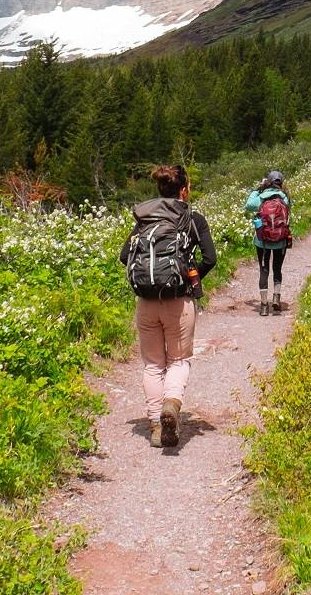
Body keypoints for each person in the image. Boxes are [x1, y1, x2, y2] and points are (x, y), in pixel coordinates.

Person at [119, 163, 216, 449]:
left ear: (160, 189)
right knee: (179, 360)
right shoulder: (192, 218)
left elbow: (126, 256)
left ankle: (154, 426)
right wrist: (188, 276)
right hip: (178, 301)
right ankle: (171, 405)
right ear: (184, 190)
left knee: (152, 364)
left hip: (146, 302)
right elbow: (210, 258)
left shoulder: (144, 218)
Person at [245, 169, 291, 316]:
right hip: (281, 241)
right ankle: (276, 297)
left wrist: (258, 188)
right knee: (277, 268)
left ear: (268, 182)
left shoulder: (261, 197)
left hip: (262, 242)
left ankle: (264, 306)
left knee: (264, 270)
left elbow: (248, 205)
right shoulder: (285, 197)